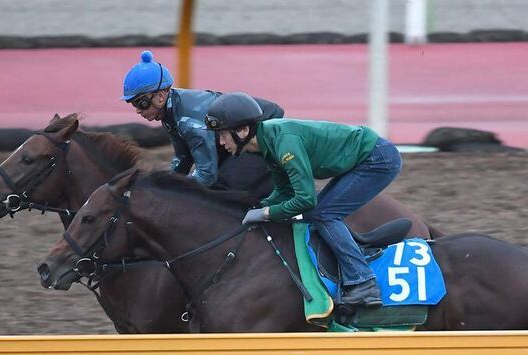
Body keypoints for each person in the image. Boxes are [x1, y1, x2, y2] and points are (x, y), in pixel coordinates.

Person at [205, 92, 404, 308]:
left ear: (243, 131)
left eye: (223, 134)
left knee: (324, 215)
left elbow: (305, 199)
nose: (220, 142)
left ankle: (364, 283)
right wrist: (258, 207)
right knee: (316, 215)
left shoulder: (283, 143)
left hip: (377, 159)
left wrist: (266, 213)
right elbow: (283, 190)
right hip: (363, 158)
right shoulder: (267, 143)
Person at [122, 50, 284, 196]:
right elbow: (183, 159)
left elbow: (207, 175)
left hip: (261, 130)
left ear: (160, 97)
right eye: (133, 105)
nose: (137, 111)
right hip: (233, 136)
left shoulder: (189, 122)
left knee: (221, 189)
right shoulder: (169, 113)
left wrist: (171, 190)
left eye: (140, 103)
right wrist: (162, 184)